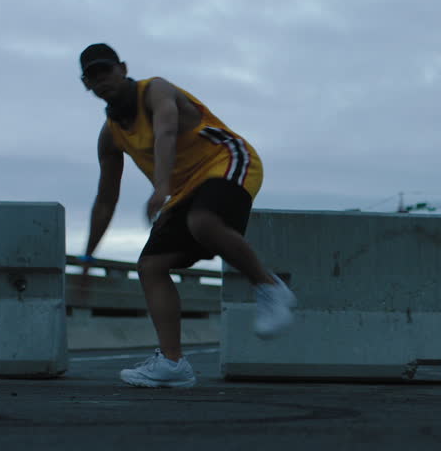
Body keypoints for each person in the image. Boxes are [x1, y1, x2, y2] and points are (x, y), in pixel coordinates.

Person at [77, 43, 295, 388]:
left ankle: (269, 287)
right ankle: (173, 362)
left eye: (106, 70)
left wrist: (161, 186)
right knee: (150, 265)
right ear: (86, 85)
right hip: (183, 190)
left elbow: (165, 130)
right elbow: (106, 199)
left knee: (203, 221)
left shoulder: (155, 89)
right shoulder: (111, 135)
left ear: (122, 67)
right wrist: (89, 254)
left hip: (226, 160)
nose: (101, 79)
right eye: (92, 76)